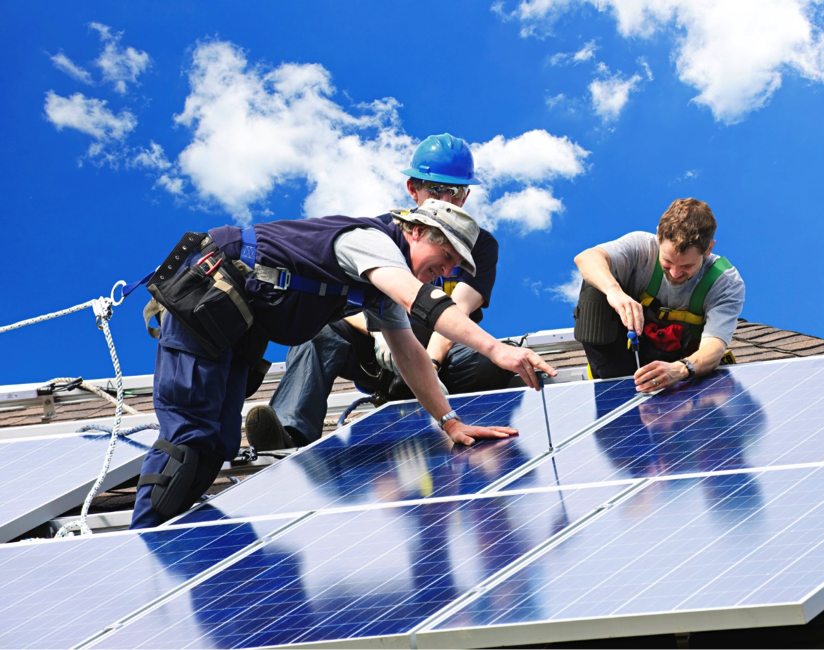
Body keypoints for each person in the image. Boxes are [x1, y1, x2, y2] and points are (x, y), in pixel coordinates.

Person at [131, 199, 555, 529]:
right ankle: (142, 545)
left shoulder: (380, 289)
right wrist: (496, 350)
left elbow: (409, 353)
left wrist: (450, 422)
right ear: (418, 230)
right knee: (190, 439)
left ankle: (165, 546)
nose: (443, 273)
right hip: (206, 295)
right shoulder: (370, 242)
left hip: (234, 324)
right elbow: (418, 300)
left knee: (218, 446)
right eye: (444, 259)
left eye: (452, 269)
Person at [246, 133, 512, 452]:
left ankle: (474, 424)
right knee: (317, 332)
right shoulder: (383, 234)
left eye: (454, 191)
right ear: (413, 190)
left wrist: (430, 362)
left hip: (440, 354)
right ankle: (289, 434)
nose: (446, 199)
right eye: (436, 189)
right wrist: (377, 333)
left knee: (490, 360)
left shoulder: (477, 246)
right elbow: (348, 296)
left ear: (465, 196)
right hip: (380, 353)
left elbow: (458, 309)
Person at [573, 197, 744, 392]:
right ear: (658, 237)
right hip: (619, 362)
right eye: (668, 261)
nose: (675, 274)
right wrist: (614, 291)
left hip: (678, 369)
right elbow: (586, 257)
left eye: (687, 266)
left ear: (709, 249)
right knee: (595, 286)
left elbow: (714, 347)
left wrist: (681, 369)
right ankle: (614, 387)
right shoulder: (641, 248)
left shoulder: (724, 282)